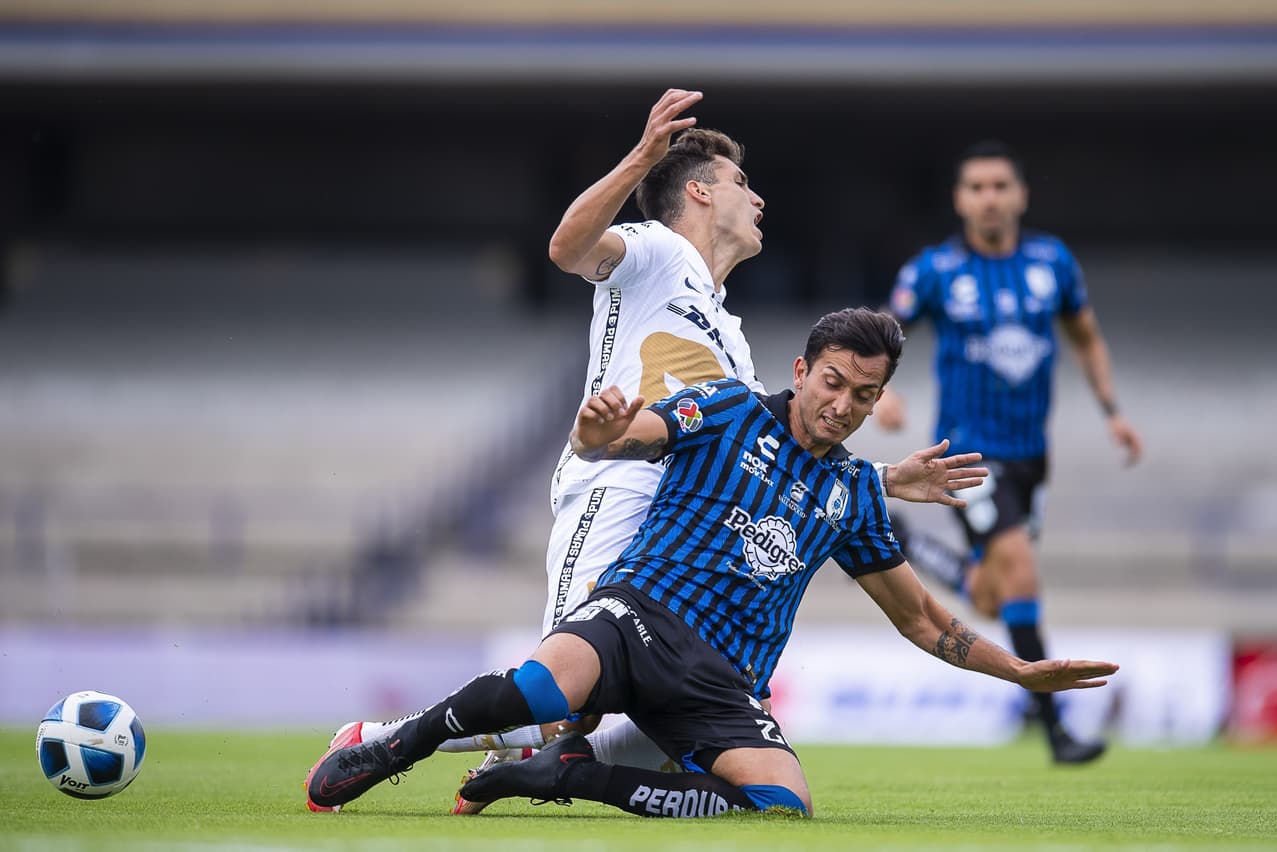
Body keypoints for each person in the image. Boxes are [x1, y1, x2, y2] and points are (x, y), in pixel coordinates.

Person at [313, 90, 999, 816]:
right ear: (699, 191)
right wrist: (642, 159)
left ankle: (557, 767)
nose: (759, 198)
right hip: (617, 484)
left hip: (676, 527)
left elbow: (775, 448)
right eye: (742, 183)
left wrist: (886, 477)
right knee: (554, 705)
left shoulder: (732, 340)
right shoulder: (658, 249)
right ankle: (379, 738)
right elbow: (567, 248)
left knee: (669, 721)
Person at [305, 307, 1118, 818]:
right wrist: (596, 433)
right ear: (802, 371)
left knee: (780, 804)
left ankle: (564, 777)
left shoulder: (856, 494)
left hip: (719, 683)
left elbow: (920, 618)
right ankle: (395, 748)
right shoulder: (728, 407)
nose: (843, 405)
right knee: (539, 686)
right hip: (634, 617)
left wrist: (1017, 671)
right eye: (833, 382)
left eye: (865, 395)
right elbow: (635, 436)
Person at [875, 140, 1142, 764]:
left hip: (1031, 456)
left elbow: (1086, 335)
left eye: (1000, 186)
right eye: (977, 187)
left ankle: (913, 546)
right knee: (1021, 570)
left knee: (996, 593)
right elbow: (884, 330)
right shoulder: (935, 270)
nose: (989, 198)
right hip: (971, 455)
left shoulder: (1053, 263)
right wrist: (880, 391)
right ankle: (1053, 724)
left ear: (1019, 195)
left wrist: (1114, 412)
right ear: (959, 200)